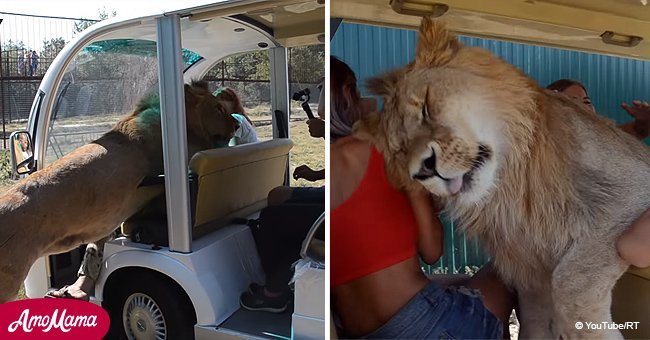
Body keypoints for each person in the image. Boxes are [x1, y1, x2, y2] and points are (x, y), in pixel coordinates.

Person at [330, 56, 515, 338]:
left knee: (460, 281)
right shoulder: (385, 149)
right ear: (347, 92)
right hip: (421, 323)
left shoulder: (328, 166)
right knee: (505, 274)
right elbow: (431, 251)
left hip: (360, 332)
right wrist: (420, 194)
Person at [546, 79, 650, 269]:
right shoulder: (550, 153)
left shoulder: (604, 140)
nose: (583, 106)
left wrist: (645, 121)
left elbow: (635, 131)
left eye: (586, 101)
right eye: (572, 101)